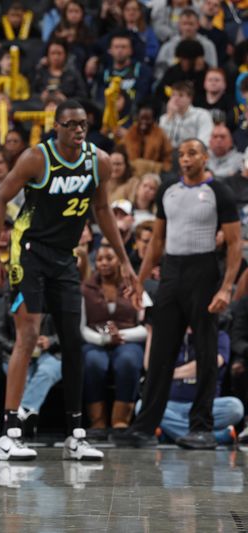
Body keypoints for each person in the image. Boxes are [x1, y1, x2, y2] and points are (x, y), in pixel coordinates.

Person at [0, 99, 137, 462]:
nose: (79, 130)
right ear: (56, 127)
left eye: (83, 123)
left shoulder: (98, 161)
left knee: (73, 343)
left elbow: (102, 210)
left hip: (65, 258)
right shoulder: (36, 158)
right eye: (71, 124)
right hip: (29, 252)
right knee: (27, 335)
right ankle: (9, 433)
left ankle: (76, 434)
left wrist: (124, 259)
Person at [114, 138, 241, 449]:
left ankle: (202, 427)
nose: (185, 159)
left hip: (204, 272)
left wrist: (226, 286)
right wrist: (140, 281)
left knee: (205, 348)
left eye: (192, 153)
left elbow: (236, 243)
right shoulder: (168, 189)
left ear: (205, 157)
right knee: (160, 350)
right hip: (172, 272)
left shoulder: (219, 191)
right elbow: (156, 241)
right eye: (181, 154)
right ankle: (145, 428)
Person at [81, 241, 147, 436]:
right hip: (95, 341)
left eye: (109, 258)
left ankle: (120, 421)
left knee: (128, 361)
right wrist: (104, 339)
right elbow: (81, 328)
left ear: (119, 261)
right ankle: (97, 421)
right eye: (99, 259)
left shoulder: (134, 286)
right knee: (93, 362)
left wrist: (120, 336)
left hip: (128, 340)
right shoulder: (85, 289)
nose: (103, 263)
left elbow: (147, 327)